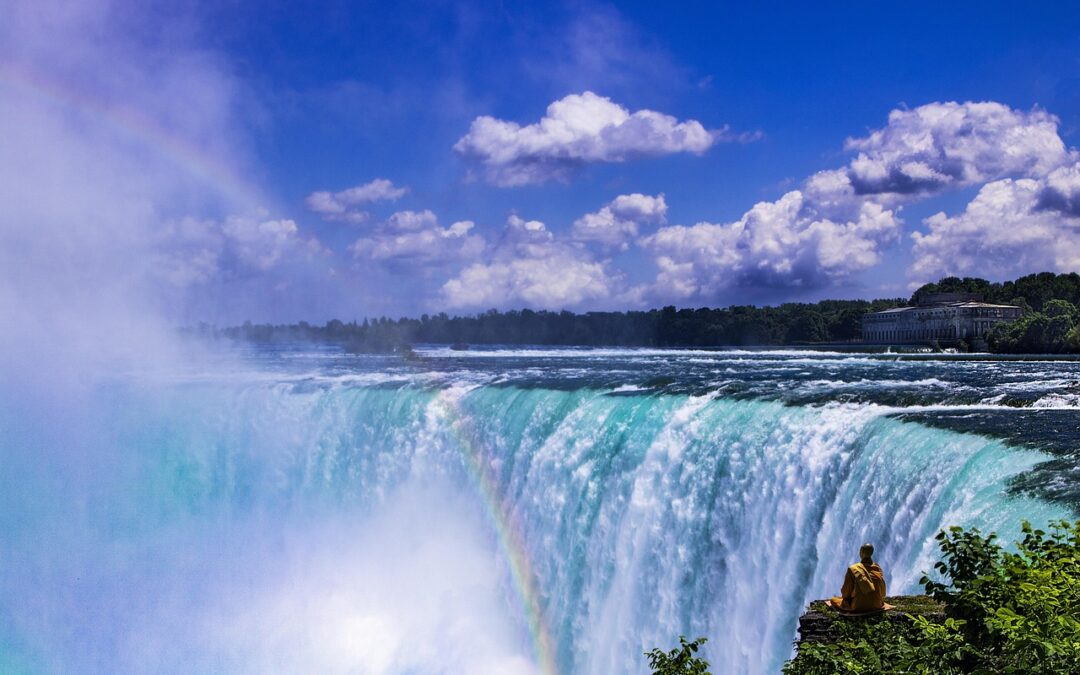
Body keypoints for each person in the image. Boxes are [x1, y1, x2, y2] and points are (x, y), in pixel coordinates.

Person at [828, 543, 888, 613]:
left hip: (858, 606)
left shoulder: (853, 569)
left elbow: (845, 592)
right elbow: (883, 593)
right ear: (871, 553)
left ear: (861, 552)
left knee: (833, 600)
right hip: (877, 605)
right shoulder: (877, 568)